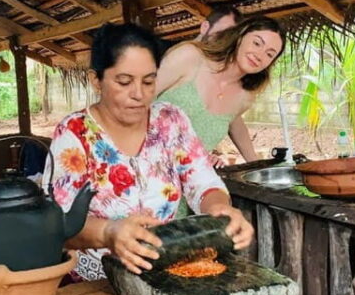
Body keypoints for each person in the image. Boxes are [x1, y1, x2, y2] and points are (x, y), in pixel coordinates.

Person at [44, 23, 254, 281]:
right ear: (96, 80)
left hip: (165, 265)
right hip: (97, 279)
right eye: (124, 81)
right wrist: (108, 232)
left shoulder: (170, 120)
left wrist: (220, 208)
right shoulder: (75, 133)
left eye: (149, 81)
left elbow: (202, 180)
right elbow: (59, 223)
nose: (139, 95)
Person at [156, 16, 285, 164]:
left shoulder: (244, 97)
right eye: (256, 43)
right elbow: (135, 102)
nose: (259, 55)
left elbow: (232, 122)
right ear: (240, 36)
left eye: (269, 54)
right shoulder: (190, 57)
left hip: (183, 182)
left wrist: (255, 164)